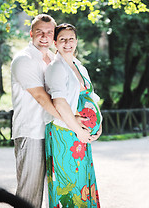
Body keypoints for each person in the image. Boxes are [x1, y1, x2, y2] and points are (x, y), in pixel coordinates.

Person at [11, 14, 94, 208]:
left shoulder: (53, 59)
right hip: (31, 132)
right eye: (39, 32)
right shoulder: (24, 60)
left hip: (54, 131)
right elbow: (42, 98)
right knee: (29, 193)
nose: (44, 36)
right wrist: (72, 122)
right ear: (31, 33)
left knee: (58, 189)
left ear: (53, 37)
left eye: (49, 32)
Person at [45, 23, 102, 207]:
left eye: (71, 39)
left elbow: (91, 97)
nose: (67, 43)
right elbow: (60, 102)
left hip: (81, 135)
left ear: (76, 41)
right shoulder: (56, 68)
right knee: (69, 186)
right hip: (66, 134)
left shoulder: (79, 66)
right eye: (62, 39)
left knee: (83, 183)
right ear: (55, 43)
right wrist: (79, 130)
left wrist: (99, 125)